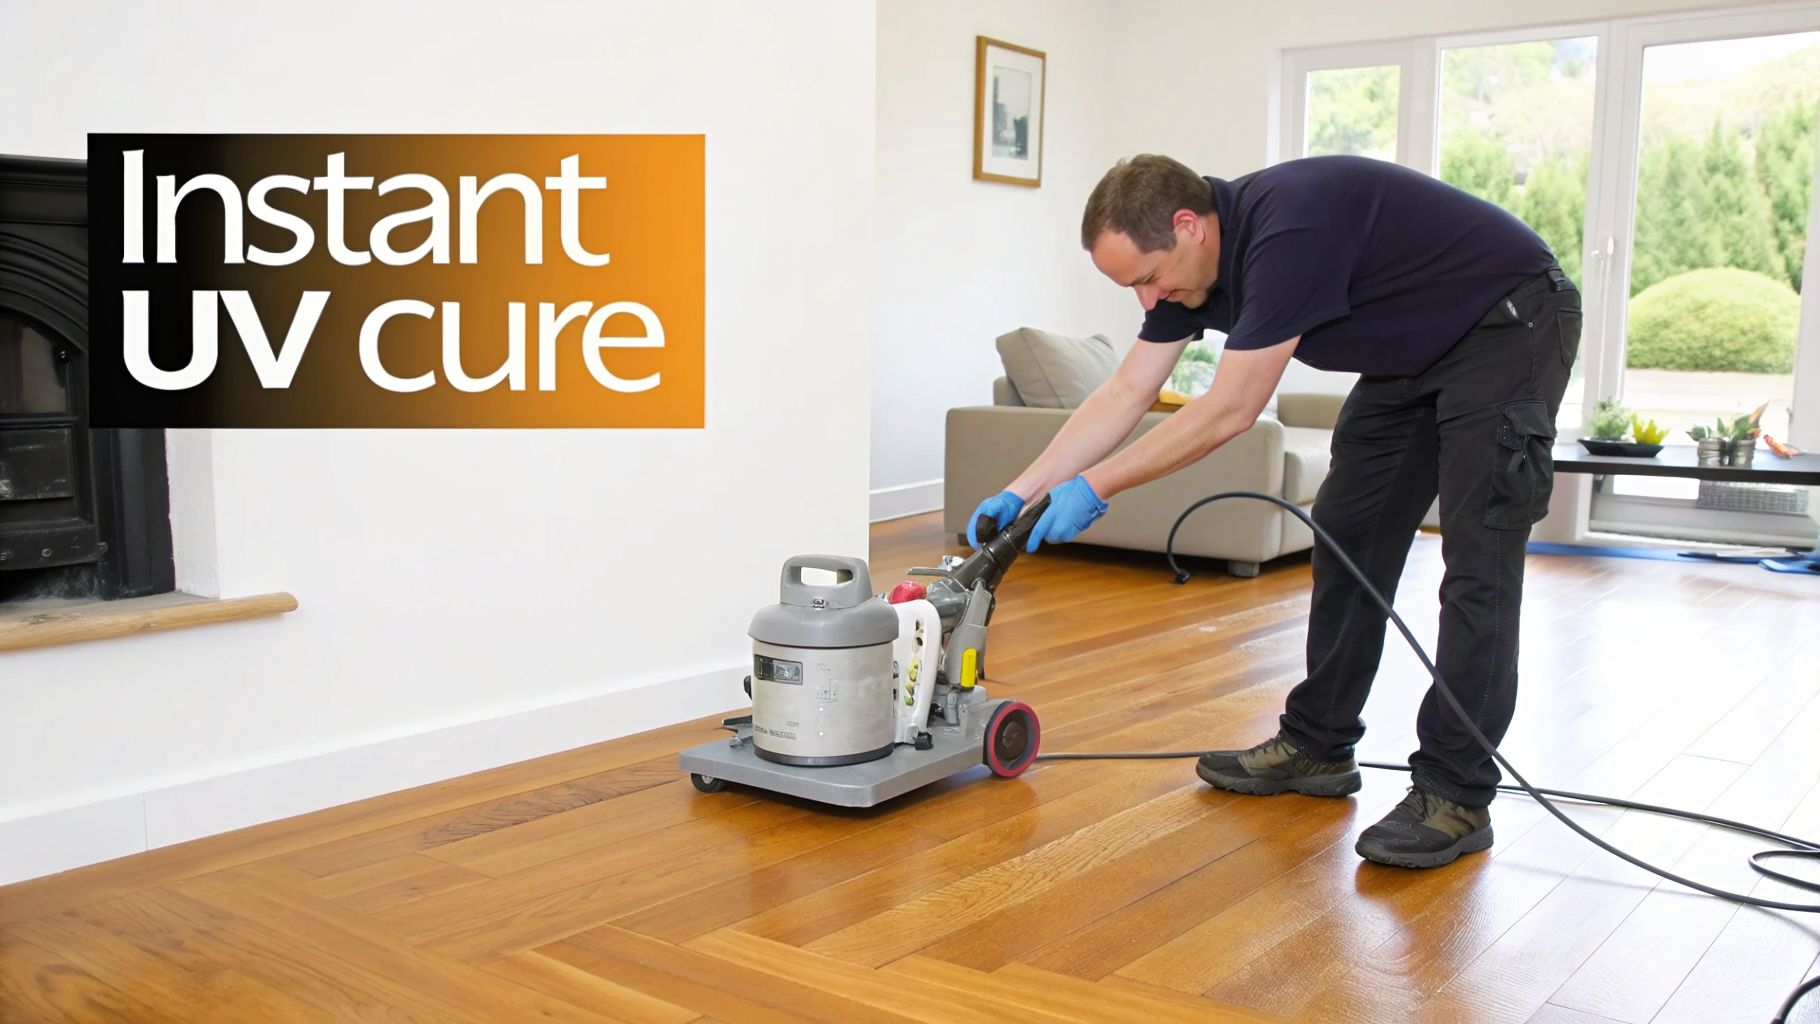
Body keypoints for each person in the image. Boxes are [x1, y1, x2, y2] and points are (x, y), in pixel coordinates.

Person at [968, 153, 1580, 869]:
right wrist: (1025, 486)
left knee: (1479, 562)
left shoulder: (1288, 233)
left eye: (1146, 278)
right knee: (1349, 534)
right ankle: (1318, 745)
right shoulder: (1187, 274)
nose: (1147, 300)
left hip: (1508, 321)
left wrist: (1099, 485)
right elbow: (1122, 393)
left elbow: (1229, 409)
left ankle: (1455, 793)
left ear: (1188, 226)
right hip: (1410, 354)